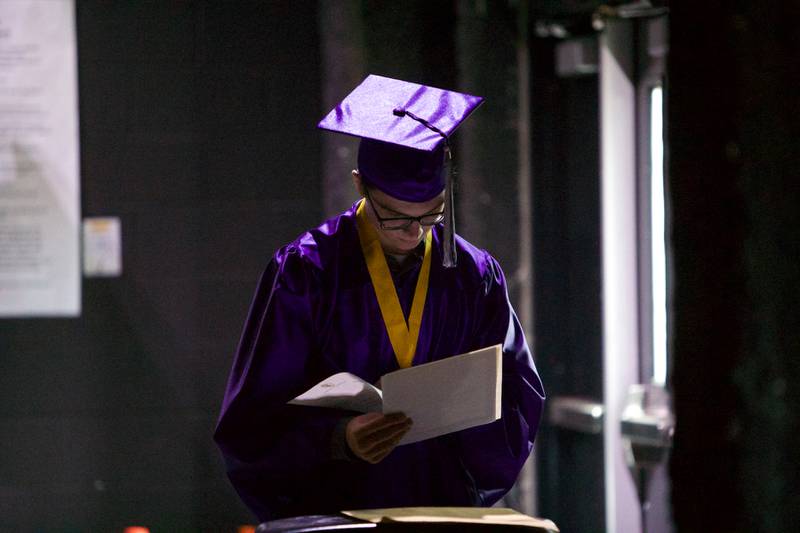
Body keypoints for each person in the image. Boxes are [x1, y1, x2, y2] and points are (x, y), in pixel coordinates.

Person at [213, 74, 545, 522]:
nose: (414, 232)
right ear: (359, 185)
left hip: (440, 505)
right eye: (394, 217)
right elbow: (252, 419)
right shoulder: (308, 270)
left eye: (432, 215)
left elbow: (516, 394)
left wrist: (471, 427)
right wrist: (339, 438)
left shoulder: (473, 274)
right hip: (338, 505)